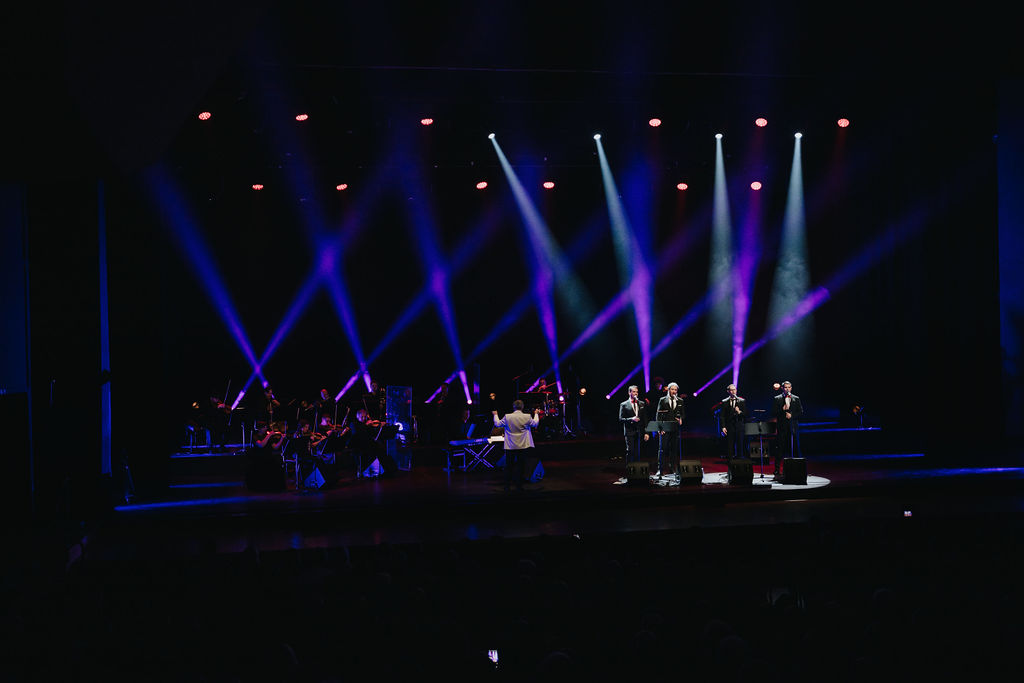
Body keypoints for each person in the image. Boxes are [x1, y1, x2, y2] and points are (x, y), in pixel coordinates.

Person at [492, 400, 541, 492]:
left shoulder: (508, 416)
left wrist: (495, 415)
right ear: (522, 407)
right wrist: (536, 414)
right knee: (520, 466)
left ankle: (507, 486)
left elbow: (497, 424)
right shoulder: (527, 416)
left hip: (510, 445)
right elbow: (535, 423)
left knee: (509, 466)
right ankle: (519, 486)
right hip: (522, 445)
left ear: (513, 407)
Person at [772, 380, 803, 474]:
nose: (787, 389)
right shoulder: (777, 398)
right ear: (782, 388)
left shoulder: (796, 398)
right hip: (782, 427)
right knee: (780, 448)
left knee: (795, 446)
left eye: (789, 387)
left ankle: (799, 468)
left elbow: (800, 412)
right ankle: (777, 469)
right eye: (785, 387)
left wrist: (792, 415)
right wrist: (782, 410)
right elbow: (773, 412)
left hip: (793, 426)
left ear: (791, 388)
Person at [655, 382, 684, 477]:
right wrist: (659, 427)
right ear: (669, 390)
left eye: (675, 390)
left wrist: (681, 419)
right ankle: (660, 469)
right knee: (662, 449)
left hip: (675, 428)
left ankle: (672, 468)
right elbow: (658, 415)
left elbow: (683, 414)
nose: (674, 391)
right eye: (672, 389)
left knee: (674, 449)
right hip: (665, 428)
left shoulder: (680, 401)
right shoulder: (662, 400)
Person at [618, 385, 650, 464]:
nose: (636, 393)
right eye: (634, 392)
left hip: (639, 431)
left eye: (637, 392)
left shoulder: (641, 403)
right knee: (630, 450)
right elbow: (621, 419)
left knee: (637, 452)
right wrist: (631, 419)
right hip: (629, 431)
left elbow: (645, 419)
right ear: (629, 393)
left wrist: (646, 432)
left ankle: (636, 468)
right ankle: (629, 468)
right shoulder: (624, 404)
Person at [720, 384, 748, 461]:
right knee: (729, 445)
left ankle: (739, 462)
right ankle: (730, 463)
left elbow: (746, 414)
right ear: (728, 391)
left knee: (740, 445)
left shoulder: (741, 401)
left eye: (734, 390)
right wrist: (723, 427)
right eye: (731, 390)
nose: (733, 392)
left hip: (739, 426)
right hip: (729, 426)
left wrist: (739, 412)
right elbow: (722, 416)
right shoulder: (724, 401)